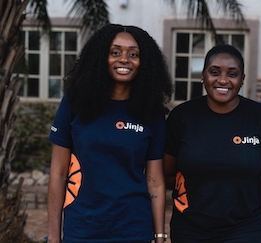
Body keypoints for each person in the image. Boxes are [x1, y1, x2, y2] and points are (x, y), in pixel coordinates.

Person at [47, 24, 172, 243]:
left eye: (133, 54)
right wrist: (53, 237)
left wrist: (160, 236)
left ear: (145, 63)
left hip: (133, 230)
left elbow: (155, 181)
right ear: (100, 58)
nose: (124, 59)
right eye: (115, 52)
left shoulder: (151, 112)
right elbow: (58, 173)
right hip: (83, 228)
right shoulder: (75, 103)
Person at [163, 44, 261, 242]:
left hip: (245, 228)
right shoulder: (182, 117)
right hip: (190, 228)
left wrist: (243, 193)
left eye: (232, 74)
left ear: (242, 80)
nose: (222, 80)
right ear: (203, 76)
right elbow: (167, 173)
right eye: (214, 72)